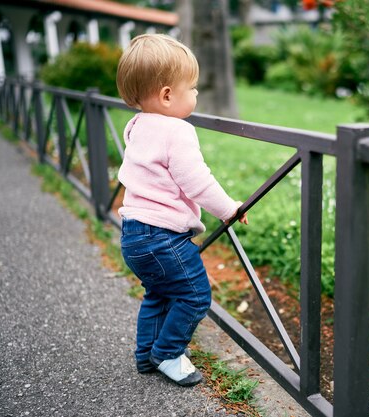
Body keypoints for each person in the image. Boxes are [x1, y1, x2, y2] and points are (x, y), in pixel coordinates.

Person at [116, 34, 248, 387]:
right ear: (167, 95)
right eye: (191, 87)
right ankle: (168, 353)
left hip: (133, 234)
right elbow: (197, 182)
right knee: (194, 295)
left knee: (158, 293)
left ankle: (146, 355)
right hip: (162, 237)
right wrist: (228, 209)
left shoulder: (136, 125)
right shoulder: (178, 130)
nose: (196, 94)